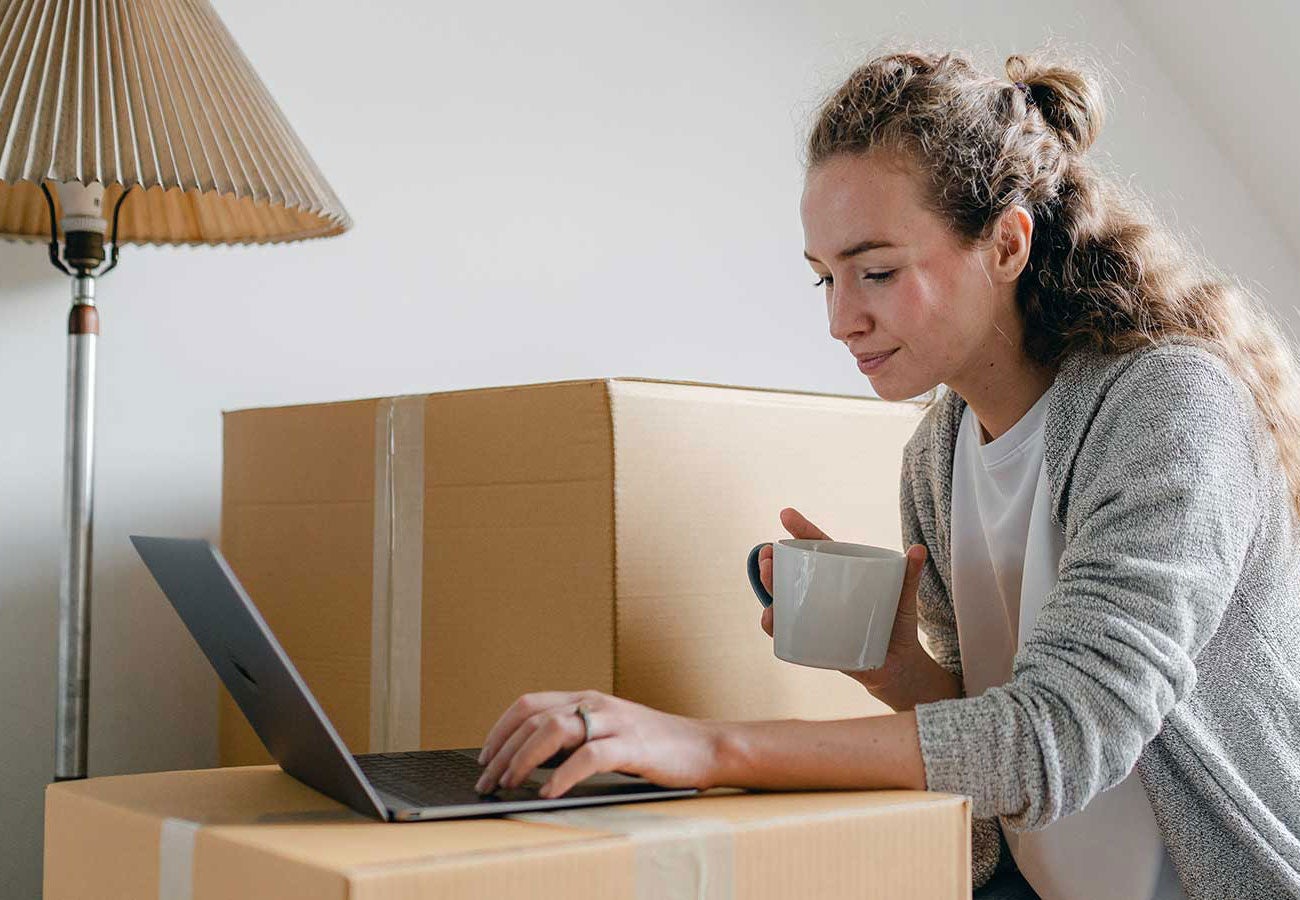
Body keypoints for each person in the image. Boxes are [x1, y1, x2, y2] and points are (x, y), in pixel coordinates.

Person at [471, 48, 1300, 900]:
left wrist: (702, 746)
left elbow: (1063, 733)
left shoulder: (1168, 405)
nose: (840, 318)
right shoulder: (937, 456)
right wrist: (900, 666)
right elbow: (997, 744)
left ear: (1007, 243)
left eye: (876, 272)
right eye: (826, 277)